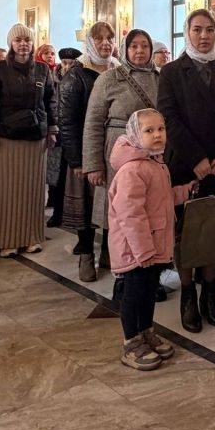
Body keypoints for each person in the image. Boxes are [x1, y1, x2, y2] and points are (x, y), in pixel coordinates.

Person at [158, 11, 215, 332]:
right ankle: (187, 296)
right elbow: (169, 118)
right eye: (197, 30)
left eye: (209, 30)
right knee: (186, 233)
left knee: (213, 230)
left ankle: (210, 292)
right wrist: (196, 158)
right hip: (185, 165)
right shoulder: (171, 71)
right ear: (187, 33)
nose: (204, 36)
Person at [108, 108, 196, 370]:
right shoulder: (132, 170)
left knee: (148, 292)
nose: (157, 135)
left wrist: (184, 191)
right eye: (149, 130)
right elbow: (130, 214)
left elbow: (162, 198)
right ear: (135, 134)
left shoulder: (155, 162)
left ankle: (146, 331)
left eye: (161, 129)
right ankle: (131, 342)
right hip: (136, 249)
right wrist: (143, 251)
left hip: (152, 246)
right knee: (133, 295)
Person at [82, 27, 160, 284]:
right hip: (118, 153)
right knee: (120, 208)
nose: (140, 51)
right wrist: (93, 165)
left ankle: (145, 265)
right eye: (134, 46)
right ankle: (117, 262)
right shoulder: (109, 79)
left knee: (146, 209)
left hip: (152, 154)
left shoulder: (160, 79)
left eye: (145, 46)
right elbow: (93, 123)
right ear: (125, 49)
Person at [0, 24, 57, 258]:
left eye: (27, 40)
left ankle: (32, 237)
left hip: (36, 138)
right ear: (11, 44)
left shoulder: (43, 70)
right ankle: (8, 240)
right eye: (18, 40)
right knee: (7, 192)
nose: (23, 44)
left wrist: (52, 129)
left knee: (33, 191)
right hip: (6, 138)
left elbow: (50, 101)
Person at [58, 28, 116, 277]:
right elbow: (67, 121)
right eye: (99, 38)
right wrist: (76, 160)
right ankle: (86, 254)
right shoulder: (77, 74)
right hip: (85, 150)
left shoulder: (118, 69)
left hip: (112, 150)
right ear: (90, 42)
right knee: (86, 207)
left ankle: (108, 251)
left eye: (110, 38)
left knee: (110, 203)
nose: (105, 43)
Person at [47, 47, 80, 227]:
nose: (66, 67)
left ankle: (68, 213)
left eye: (71, 64)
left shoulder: (78, 81)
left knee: (69, 177)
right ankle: (57, 212)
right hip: (57, 134)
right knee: (56, 176)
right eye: (64, 63)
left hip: (72, 135)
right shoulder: (53, 81)